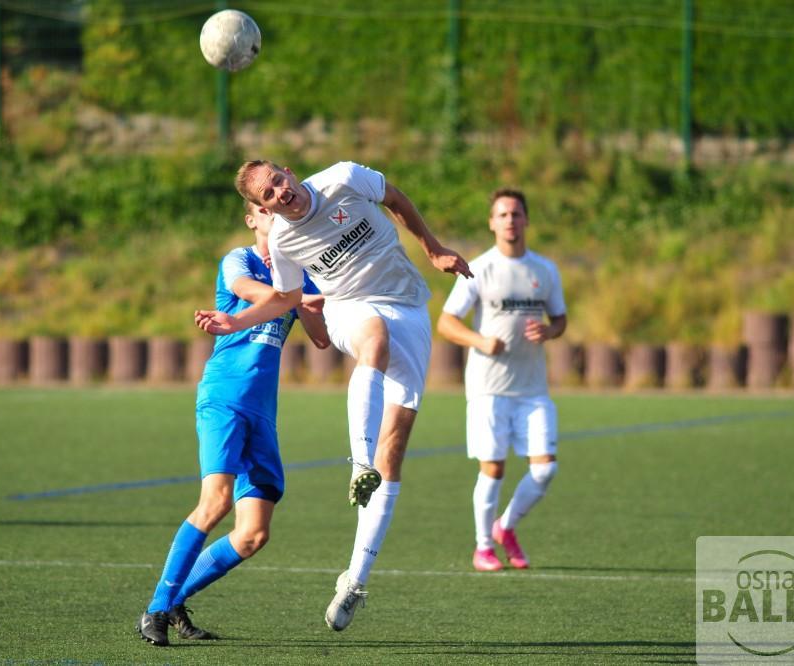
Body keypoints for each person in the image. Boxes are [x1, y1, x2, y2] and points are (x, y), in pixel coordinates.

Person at [195, 160, 472, 631]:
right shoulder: (283, 239)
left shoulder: (343, 177)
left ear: (288, 170)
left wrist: (434, 248)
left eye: (279, 181)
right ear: (262, 208)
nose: (280, 194)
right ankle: (358, 462)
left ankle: (355, 581)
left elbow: (396, 198)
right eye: (268, 196)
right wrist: (237, 321)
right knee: (374, 340)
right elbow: (285, 298)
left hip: (408, 303)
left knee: (396, 449)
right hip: (350, 308)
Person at [137, 201, 331, 647]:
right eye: (265, 211)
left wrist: (311, 300)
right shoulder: (238, 260)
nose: (275, 217)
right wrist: (298, 295)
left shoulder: (298, 275)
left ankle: (173, 600)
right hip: (224, 398)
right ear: (252, 220)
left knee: (253, 534)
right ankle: (154, 609)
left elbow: (320, 339)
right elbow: (254, 292)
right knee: (216, 502)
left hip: (263, 412)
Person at [436, 188, 567, 572]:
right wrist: (479, 340)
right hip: (488, 388)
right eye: (503, 215)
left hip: (532, 389)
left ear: (526, 220)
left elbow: (559, 319)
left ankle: (505, 527)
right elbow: (446, 322)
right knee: (493, 469)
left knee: (545, 468)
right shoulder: (479, 268)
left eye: (516, 214)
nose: (510, 220)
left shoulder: (545, 270)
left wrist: (549, 331)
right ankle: (482, 547)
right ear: (492, 223)